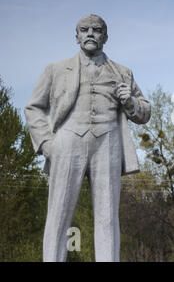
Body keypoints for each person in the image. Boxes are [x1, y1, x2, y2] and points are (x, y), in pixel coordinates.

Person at [25, 14, 151, 262]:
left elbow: (145, 112)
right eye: (84, 30)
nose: (90, 33)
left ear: (105, 36)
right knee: (59, 213)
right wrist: (47, 144)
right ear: (77, 36)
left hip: (108, 144)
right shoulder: (56, 69)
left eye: (97, 29)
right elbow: (34, 108)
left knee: (107, 216)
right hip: (67, 142)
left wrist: (130, 102)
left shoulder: (123, 72)